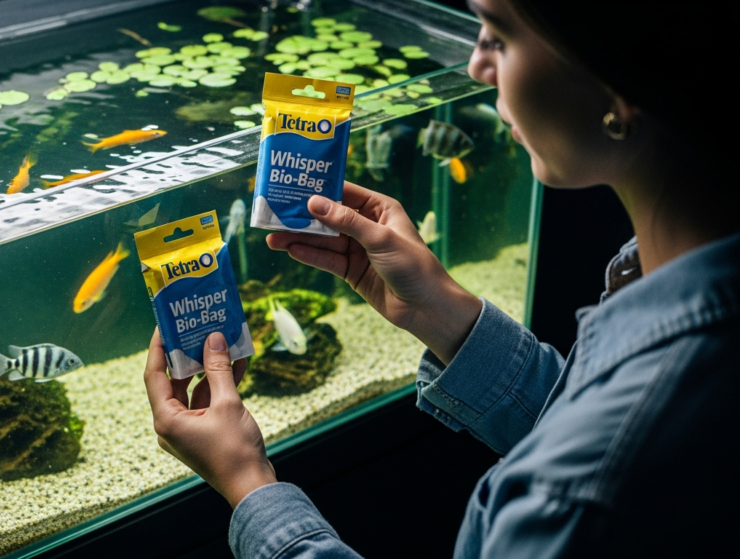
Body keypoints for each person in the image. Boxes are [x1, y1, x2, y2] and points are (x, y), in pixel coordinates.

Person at [143, 0, 739, 556]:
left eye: (499, 36)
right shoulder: (672, 281)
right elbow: (583, 419)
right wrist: (445, 313)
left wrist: (248, 483)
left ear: (621, 78)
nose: (476, 65)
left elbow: (599, 452)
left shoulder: (576, 496)